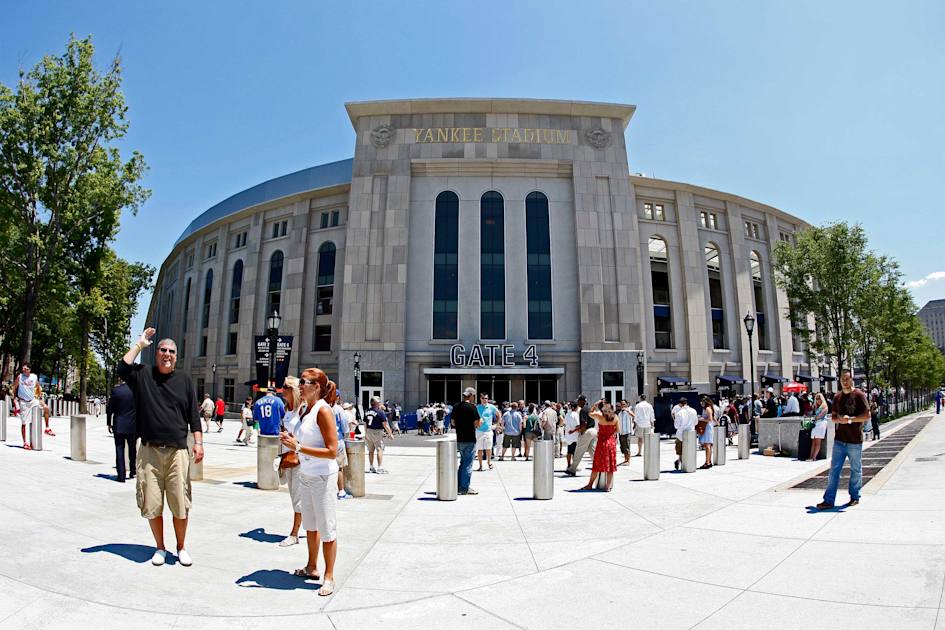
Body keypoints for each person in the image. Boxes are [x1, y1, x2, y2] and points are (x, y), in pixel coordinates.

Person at [119, 329, 203, 567]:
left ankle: (181, 546)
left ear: (177, 356)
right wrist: (140, 344)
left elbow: (193, 416)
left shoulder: (185, 380)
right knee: (152, 501)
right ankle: (160, 547)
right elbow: (122, 368)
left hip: (177, 451)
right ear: (156, 354)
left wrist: (198, 442)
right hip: (149, 452)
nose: (167, 354)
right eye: (163, 350)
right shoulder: (143, 374)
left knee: (180, 502)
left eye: (172, 351)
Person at [279, 368, 340, 596]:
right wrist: (292, 441)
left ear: (317, 386)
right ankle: (312, 566)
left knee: (327, 528)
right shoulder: (307, 409)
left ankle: (329, 575)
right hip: (306, 474)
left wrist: (298, 447)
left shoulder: (323, 410)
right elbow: (306, 439)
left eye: (304, 382)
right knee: (311, 526)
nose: (300, 385)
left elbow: (332, 450)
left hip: (323, 477)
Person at [817, 370, 870, 510]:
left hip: (854, 441)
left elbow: (866, 415)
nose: (845, 382)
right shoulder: (837, 397)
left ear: (851, 379)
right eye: (842, 379)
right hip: (839, 440)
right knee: (834, 470)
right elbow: (833, 417)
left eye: (847, 379)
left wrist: (851, 420)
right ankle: (828, 500)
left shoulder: (859, 395)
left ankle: (854, 496)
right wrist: (840, 419)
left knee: (855, 469)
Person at [278, 376, 305, 547]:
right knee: (294, 496)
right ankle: (304, 528)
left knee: (298, 498)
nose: (282, 390)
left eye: (285, 387)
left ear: (293, 390)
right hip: (287, 457)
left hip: (300, 459)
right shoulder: (287, 410)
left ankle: (294, 533)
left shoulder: (303, 410)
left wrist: (295, 439)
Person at [581, 400, 619, 491]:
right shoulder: (616, 418)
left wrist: (595, 404)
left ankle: (590, 485)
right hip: (611, 443)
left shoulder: (600, 417)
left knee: (597, 465)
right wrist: (610, 434)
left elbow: (590, 413)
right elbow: (617, 430)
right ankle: (607, 487)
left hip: (602, 443)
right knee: (610, 466)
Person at [106, 376, 136, 482]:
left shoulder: (116, 391)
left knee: (119, 449)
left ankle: (121, 475)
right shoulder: (136, 390)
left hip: (119, 424)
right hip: (133, 425)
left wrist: (109, 423)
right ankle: (133, 470)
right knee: (132, 449)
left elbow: (110, 409)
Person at [452, 387, 482, 495]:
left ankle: (458, 485)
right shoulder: (472, 407)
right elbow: (477, 424)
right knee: (468, 464)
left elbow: (453, 422)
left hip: (460, 438)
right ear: (471, 396)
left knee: (462, 463)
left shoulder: (456, 406)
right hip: (470, 438)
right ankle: (464, 488)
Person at [565, 395, 598, 477]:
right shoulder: (589, 408)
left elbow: (584, 423)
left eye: (579, 400)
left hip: (587, 431)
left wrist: (581, 433)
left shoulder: (583, 410)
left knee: (579, 451)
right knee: (592, 451)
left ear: (583, 401)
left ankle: (572, 469)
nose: (578, 402)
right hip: (593, 431)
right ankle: (598, 467)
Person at [14, 364, 41, 450]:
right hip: (23, 401)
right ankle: (25, 442)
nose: (23, 370)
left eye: (25, 369)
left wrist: (38, 395)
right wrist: (14, 399)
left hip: (32, 400)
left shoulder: (34, 377)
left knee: (45, 408)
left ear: (29, 370)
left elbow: (38, 386)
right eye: (23, 368)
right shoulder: (20, 377)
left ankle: (47, 428)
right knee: (24, 423)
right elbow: (14, 388)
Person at [365, 397, 393, 474]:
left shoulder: (367, 411)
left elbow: (365, 423)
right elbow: (385, 424)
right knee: (379, 449)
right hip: (377, 432)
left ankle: (371, 467)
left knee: (371, 451)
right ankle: (379, 467)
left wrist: (366, 433)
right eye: (379, 402)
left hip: (369, 431)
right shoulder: (380, 412)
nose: (380, 403)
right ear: (376, 403)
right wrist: (390, 434)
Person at [333, 392, 351, 499]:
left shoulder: (322, 406)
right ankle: (341, 491)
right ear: (338, 397)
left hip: (325, 441)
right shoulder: (338, 409)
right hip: (337, 440)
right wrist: (346, 436)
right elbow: (345, 426)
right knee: (339, 467)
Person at [673, 398, 698, 471]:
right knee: (689, 450)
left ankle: (681, 463)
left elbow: (676, 426)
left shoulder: (679, 413)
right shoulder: (693, 411)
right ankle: (686, 465)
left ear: (680, 404)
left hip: (681, 434)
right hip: (690, 434)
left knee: (680, 451)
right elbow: (696, 422)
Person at [476, 393, 498, 471]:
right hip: (479, 431)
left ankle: (489, 462)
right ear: (480, 399)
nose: (484, 400)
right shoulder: (477, 407)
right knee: (480, 449)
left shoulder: (491, 407)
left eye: (486, 398)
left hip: (488, 430)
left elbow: (498, 414)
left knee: (489, 448)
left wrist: (496, 424)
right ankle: (480, 465)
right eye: (483, 398)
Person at [809, 393, 829, 461]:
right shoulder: (817, 406)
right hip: (817, 423)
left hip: (821, 423)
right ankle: (811, 456)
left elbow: (821, 415)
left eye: (819, 398)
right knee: (813, 441)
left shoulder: (824, 405)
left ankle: (814, 457)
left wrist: (815, 418)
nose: (818, 400)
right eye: (816, 398)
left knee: (818, 441)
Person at [699, 397, 716, 469]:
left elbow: (710, 419)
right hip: (708, 427)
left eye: (702, 402)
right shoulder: (709, 408)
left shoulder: (707, 409)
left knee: (707, 445)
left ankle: (707, 462)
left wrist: (701, 419)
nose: (701, 403)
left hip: (707, 427)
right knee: (708, 445)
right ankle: (709, 461)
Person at [617, 400, 634, 466]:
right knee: (623, 447)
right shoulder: (620, 413)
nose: (622, 406)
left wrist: (628, 410)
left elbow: (633, 415)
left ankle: (628, 460)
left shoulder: (628, 412)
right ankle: (625, 460)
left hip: (627, 432)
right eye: (621, 404)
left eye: (624, 404)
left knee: (627, 446)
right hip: (621, 432)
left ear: (627, 404)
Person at [564, 401, 580, 469]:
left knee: (569, 451)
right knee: (574, 453)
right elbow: (578, 426)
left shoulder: (567, 414)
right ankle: (574, 466)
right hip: (574, 436)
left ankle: (568, 465)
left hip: (568, 436)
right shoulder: (576, 414)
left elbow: (565, 423)